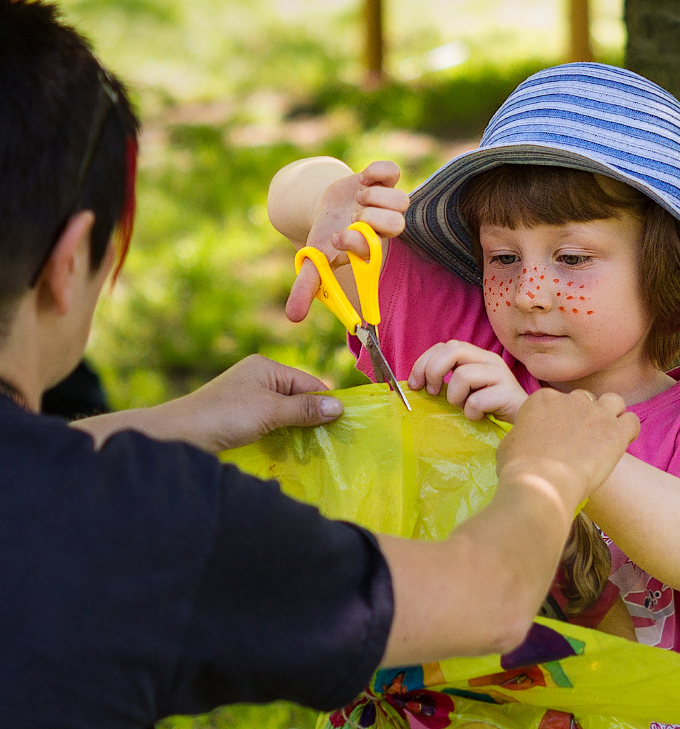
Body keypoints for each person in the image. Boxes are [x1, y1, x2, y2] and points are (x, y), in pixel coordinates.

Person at [0, 5, 640, 727]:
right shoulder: (151, 522)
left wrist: (173, 422)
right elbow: (488, 602)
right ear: (66, 265)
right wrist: (549, 471)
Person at [268, 63, 680, 659]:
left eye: (573, 258)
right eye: (503, 257)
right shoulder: (461, 344)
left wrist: (540, 425)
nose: (531, 291)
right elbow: (288, 198)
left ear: (664, 270)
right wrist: (333, 200)